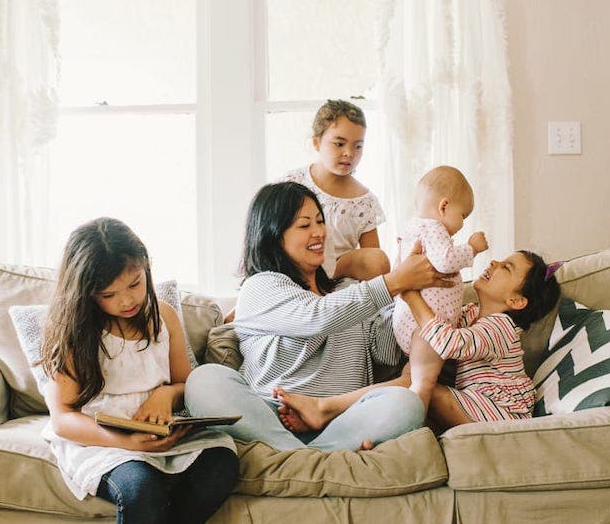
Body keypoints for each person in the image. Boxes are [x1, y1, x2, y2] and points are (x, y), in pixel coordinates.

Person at [184, 182, 455, 452]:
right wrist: (393, 282)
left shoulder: (350, 290)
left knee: (405, 403)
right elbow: (317, 317)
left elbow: (387, 351)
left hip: (340, 422)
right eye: (304, 225)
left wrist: (411, 292)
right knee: (204, 380)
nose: (318, 232)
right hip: (268, 418)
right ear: (274, 235)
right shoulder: (260, 287)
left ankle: (298, 458)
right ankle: (305, 456)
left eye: (320, 221)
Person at [39, 218, 239, 524]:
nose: (128, 300)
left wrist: (165, 395)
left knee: (222, 464)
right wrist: (127, 444)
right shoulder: (76, 332)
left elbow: (184, 383)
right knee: (142, 490)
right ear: (85, 293)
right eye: (109, 295)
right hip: (102, 440)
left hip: (160, 429)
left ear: (146, 267)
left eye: (135, 283)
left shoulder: (164, 316)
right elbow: (63, 417)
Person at [274, 249, 562, 434]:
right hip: (474, 405)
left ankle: (327, 410)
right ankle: (348, 424)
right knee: (415, 380)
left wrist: (410, 295)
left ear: (516, 301)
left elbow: (446, 341)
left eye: (507, 268)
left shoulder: (501, 327)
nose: (495, 263)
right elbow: (436, 325)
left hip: (500, 416)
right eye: (501, 260)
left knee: (425, 390)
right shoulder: (472, 313)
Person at [281, 99, 390, 281]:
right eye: (339, 144)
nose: (349, 153)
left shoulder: (364, 201)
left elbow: (372, 259)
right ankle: (228, 310)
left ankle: (325, 282)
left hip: (338, 275)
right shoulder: (293, 183)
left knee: (377, 259)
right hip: (295, 266)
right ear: (317, 143)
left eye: (358, 146)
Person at [392, 165, 488, 356]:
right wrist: (473, 248)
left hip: (415, 325)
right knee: (425, 380)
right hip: (423, 328)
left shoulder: (415, 229)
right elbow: (446, 261)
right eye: (463, 216)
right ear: (443, 206)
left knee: (416, 373)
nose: (462, 224)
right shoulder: (432, 227)